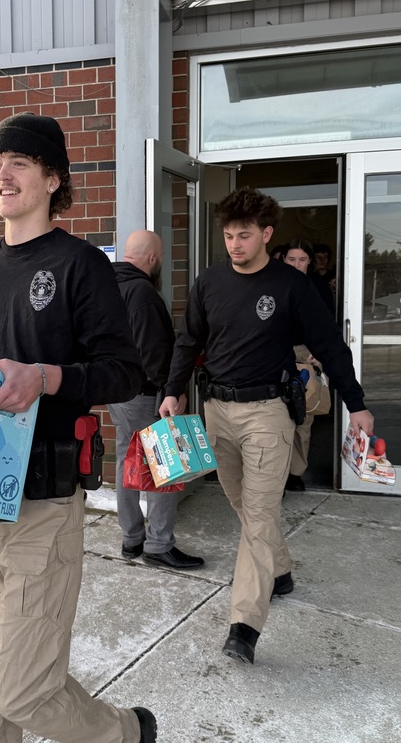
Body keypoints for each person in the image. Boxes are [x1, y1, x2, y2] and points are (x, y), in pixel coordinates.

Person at [0, 112, 157, 743]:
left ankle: (123, 732)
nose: (0, 175)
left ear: (53, 178)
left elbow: (124, 373)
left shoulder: (80, 264)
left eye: (18, 163)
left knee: (24, 690)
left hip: (41, 503)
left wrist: (44, 377)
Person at [159, 186, 373, 666]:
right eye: (230, 236)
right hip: (217, 409)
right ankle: (281, 570)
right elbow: (188, 339)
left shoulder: (290, 286)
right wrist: (172, 392)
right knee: (241, 504)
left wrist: (354, 404)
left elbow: (330, 345)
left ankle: (244, 625)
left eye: (245, 235)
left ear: (266, 234)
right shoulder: (209, 283)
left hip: (267, 414)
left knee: (257, 516)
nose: (235, 244)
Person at [107, 230, 205, 570]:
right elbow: (154, 350)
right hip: (146, 392)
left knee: (126, 460)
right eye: (159, 257)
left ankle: (131, 538)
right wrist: (169, 389)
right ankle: (159, 544)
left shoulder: (107, 288)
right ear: (152, 258)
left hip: (118, 392)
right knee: (165, 462)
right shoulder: (142, 292)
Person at [282, 238, 334, 491]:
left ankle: (295, 473)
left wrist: (320, 353)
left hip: (307, 354)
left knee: (304, 418)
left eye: (302, 260)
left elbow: (328, 324)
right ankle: (276, 476)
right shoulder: (272, 283)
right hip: (277, 354)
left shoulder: (318, 287)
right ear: (283, 259)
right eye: (292, 259)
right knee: (275, 417)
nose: (297, 264)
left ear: (309, 262)